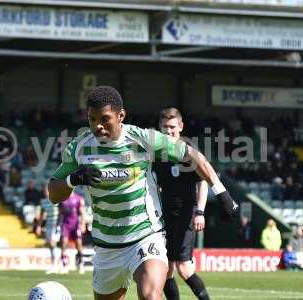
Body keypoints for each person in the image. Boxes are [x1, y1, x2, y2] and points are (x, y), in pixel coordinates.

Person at [48, 86, 238, 300]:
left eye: (104, 119)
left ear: (121, 116)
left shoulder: (143, 139)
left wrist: (222, 193)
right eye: (92, 120)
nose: (98, 126)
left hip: (145, 236)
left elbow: (192, 155)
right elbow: (54, 193)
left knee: (150, 295)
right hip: (106, 246)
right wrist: (73, 179)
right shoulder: (79, 148)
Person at [153, 108, 210, 300]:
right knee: (166, 270)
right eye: (164, 127)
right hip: (164, 217)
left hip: (185, 214)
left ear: (180, 126)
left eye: (171, 127)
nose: (168, 131)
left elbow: (203, 180)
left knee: (184, 268)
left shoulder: (189, 149)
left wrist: (200, 211)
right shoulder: (157, 152)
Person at [59, 187, 86, 274]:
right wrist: (58, 225)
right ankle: (64, 265)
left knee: (79, 244)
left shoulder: (78, 199)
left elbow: (82, 213)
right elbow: (60, 213)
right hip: (65, 225)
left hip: (75, 225)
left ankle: (81, 263)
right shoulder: (62, 199)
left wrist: (83, 224)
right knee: (64, 243)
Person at [38, 185, 60, 274]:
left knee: (52, 242)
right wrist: (39, 226)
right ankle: (54, 263)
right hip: (48, 225)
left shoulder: (57, 200)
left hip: (56, 225)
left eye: (47, 190)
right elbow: (42, 215)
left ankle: (55, 264)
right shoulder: (43, 202)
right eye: (44, 191)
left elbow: (61, 211)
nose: (45, 192)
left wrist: (60, 223)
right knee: (50, 245)